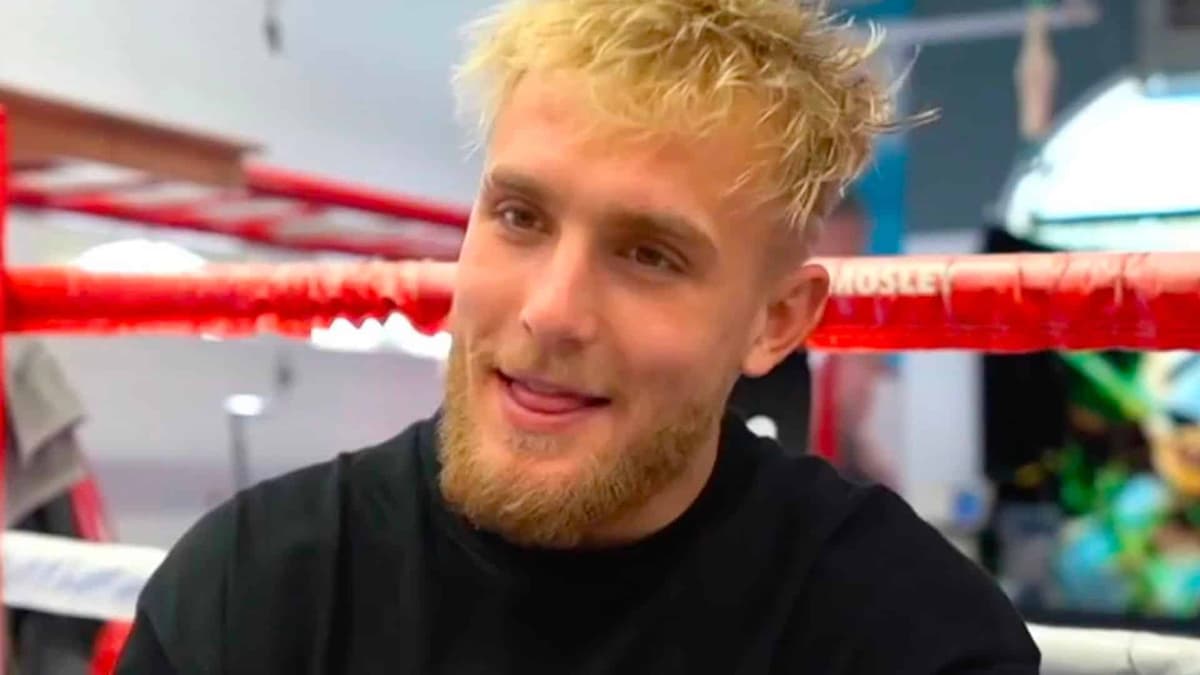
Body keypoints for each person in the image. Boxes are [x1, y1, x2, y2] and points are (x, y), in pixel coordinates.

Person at [117, 1, 1039, 673]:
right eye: (519, 215)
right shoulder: (251, 594)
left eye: (649, 254)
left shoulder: (905, 635)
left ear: (775, 323)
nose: (552, 310)